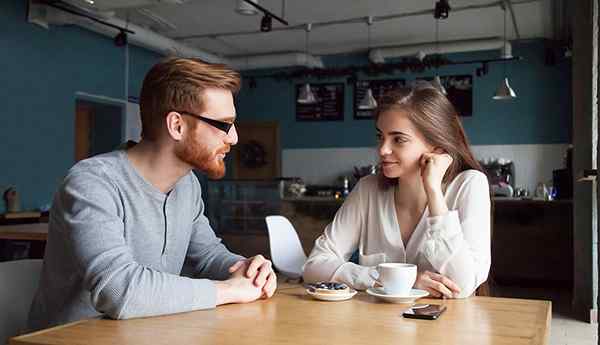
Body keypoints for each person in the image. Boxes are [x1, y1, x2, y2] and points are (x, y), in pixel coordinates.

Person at [28, 57, 276, 330]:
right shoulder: (92, 183)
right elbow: (118, 290)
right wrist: (229, 291)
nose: (234, 138)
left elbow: (206, 256)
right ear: (177, 125)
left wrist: (247, 270)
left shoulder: (187, 185)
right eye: (224, 125)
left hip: (146, 334)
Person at [303, 82, 490, 298]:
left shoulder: (469, 185)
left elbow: (462, 286)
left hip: (445, 327)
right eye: (380, 136)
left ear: (437, 147)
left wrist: (433, 192)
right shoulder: (367, 190)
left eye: (398, 139)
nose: (383, 149)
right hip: (374, 327)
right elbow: (314, 266)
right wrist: (395, 280)